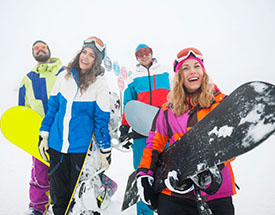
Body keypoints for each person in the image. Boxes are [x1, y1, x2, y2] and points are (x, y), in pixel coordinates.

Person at [136, 48, 236, 215]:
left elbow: (232, 142)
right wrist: (145, 174)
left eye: (196, 66)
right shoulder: (167, 111)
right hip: (174, 193)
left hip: (216, 193)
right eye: (186, 68)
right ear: (179, 76)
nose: (192, 71)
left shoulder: (220, 103)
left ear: (203, 72)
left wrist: (211, 165)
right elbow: (154, 144)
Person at [38, 36, 111, 215]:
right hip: (56, 145)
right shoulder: (64, 76)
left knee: (76, 197)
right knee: (58, 195)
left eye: (92, 55)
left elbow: (101, 120)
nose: (85, 57)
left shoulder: (99, 85)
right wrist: (44, 135)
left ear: (97, 61)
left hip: (79, 149)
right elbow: (53, 108)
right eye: (84, 52)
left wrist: (105, 150)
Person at [119, 44, 172, 215]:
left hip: (165, 128)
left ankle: (168, 207)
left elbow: (176, 95)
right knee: (142, 170)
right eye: (139, 54)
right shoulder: (134, 78)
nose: (143, 56)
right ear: (136, 58)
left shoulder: (165, 72)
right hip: (142, 129)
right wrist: (125, 126)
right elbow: (129, 103)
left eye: (146, 52)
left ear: (151, 53)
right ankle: (144, 212)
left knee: (168, 168)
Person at [19, 40, 64, 215]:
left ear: (49, 50)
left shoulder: (64, 73)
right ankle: (38, 207)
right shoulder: (27, 79)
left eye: (42, 47)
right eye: (35, 48)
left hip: (63, 131)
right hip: (40, 134)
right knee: (40, 171)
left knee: (66, 170)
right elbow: (22, 109)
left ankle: (67, 202)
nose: (39, 50)